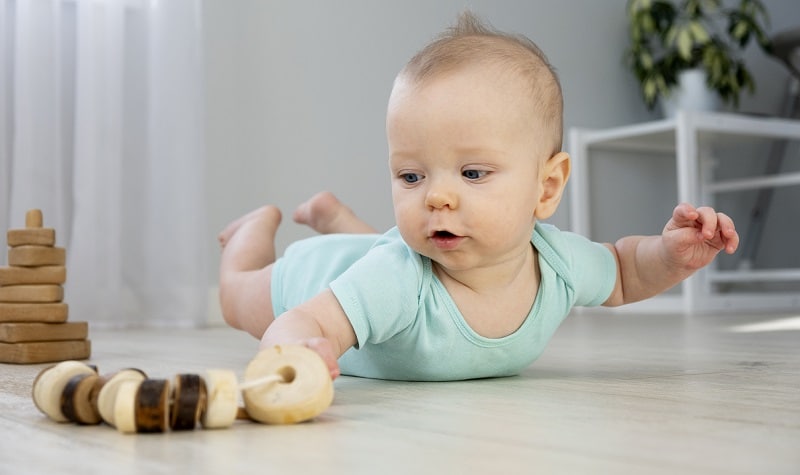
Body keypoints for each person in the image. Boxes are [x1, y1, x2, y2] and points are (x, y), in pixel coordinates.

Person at [218, 12, 739, 381]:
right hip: (312, 278)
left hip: (375, 262)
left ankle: (338, 217)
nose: (437, 197)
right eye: (411, 177)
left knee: (387, 248)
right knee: (236, 297)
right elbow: (307, 320)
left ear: (547, 187)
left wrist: (671, 256)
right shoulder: (396, 279)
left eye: (471, 172)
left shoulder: (556, 264)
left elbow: (624, 271)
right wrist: (301, 351)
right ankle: (253, 231)